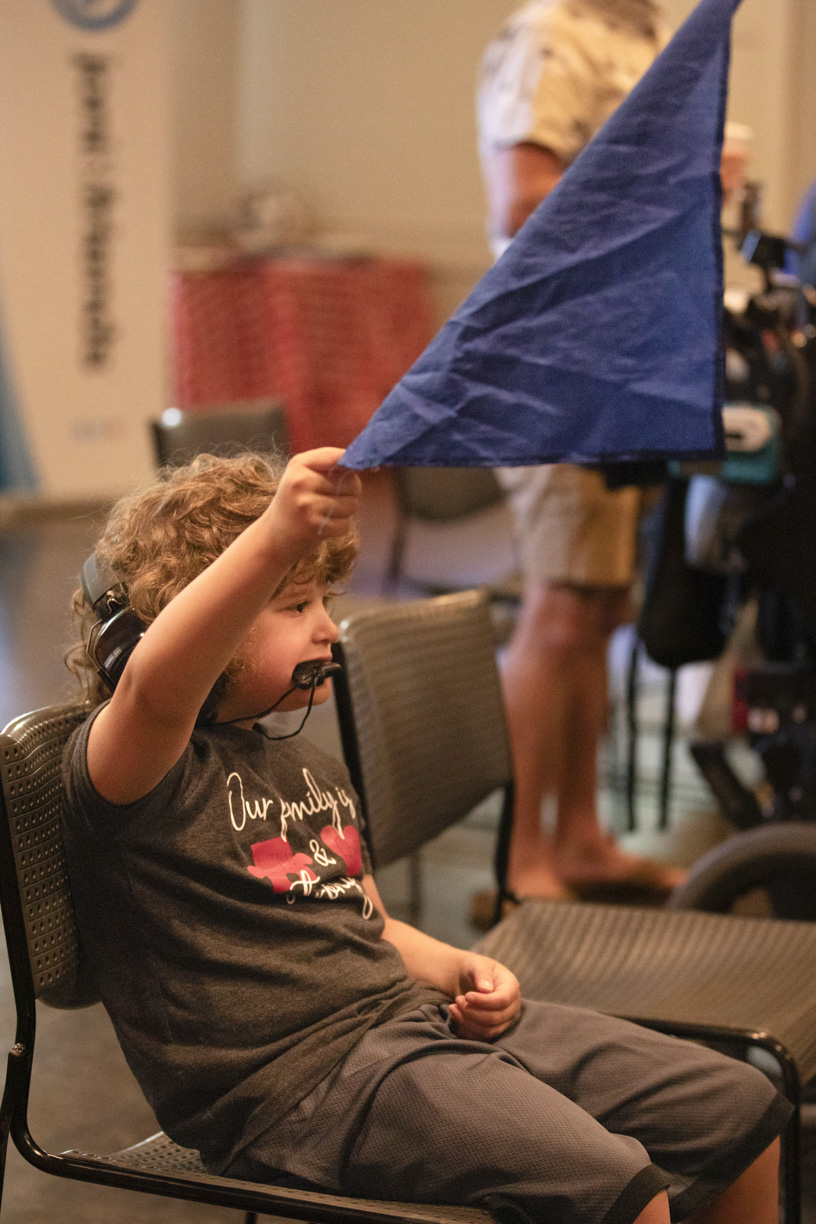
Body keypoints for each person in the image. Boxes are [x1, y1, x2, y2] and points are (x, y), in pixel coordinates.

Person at [61, 446, 789, 1224]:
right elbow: (156, 684)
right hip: (298, 1089)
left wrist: (461, 966)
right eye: (295, 606)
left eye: (323, 602)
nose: (329, 631)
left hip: (404, 1026)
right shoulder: (138, 766)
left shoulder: (301, 763)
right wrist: (272, 537)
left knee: (739, 1109)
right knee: (619, 1189)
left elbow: (365, 920)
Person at [477, 0, 687, 900]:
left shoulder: (643, 30)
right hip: (557, 354)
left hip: (624, 354)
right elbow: (522, 197)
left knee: (598, 612)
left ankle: (583, 839)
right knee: (559, 609)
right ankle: (521, 861)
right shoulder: (552, 30)